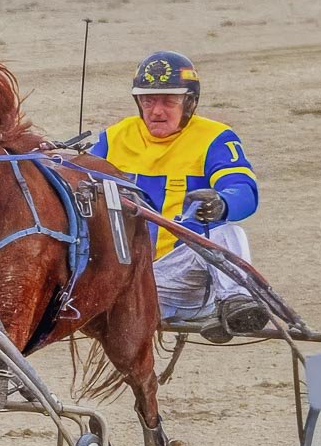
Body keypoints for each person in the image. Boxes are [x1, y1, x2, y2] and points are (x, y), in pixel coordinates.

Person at [90, 51, 265, 343]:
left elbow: (243, 190)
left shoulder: (215, 138)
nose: (157, 111)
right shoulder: (113, 138)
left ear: (189, 103)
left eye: (168, 101)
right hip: (129, 280)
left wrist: (222, 203)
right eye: (148, 100)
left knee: (228, 231)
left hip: (187, 271)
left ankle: (235, 303)